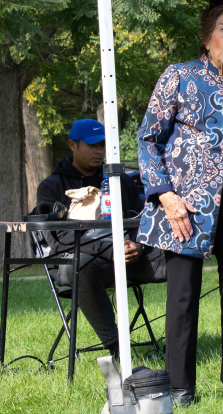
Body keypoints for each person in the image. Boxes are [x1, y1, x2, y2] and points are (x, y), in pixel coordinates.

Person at [136, 0, 223, 406]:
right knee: (182, 297)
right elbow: (148, 139)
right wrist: (166, 196)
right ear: (207, 36)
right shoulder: (178, 76)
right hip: (186, 205)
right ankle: (180, 388)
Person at [36, 119, 166, 357]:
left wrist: (138, 245)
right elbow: (59, 239)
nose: (99, 150)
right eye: (92, 145)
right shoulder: (52, 186)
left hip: (128, 259)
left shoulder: (120, 180)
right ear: (73, 145)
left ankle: (177, 343)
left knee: (179, 254)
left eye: (103, 144)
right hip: (78, 263)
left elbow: (142, 220)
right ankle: (119, 351)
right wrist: (111, 251)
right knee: (81, 265)